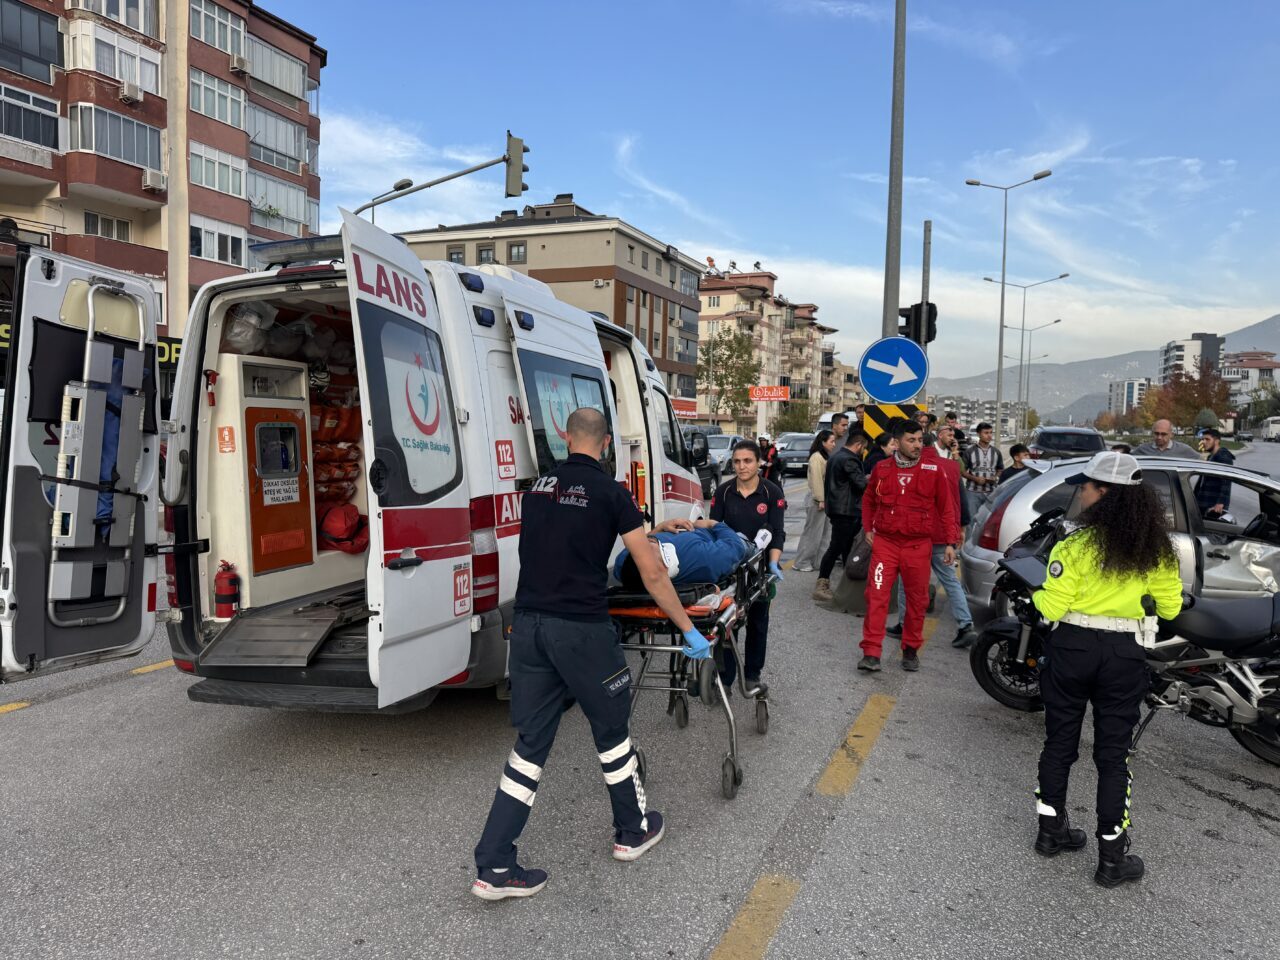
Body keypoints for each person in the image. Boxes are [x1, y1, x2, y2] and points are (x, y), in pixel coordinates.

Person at [472, 408, 712, 900]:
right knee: (611, 731)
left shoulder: (536, 490)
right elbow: (652, 572)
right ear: (606, 444)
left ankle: (493, 865)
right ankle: (632, 831)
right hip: (581, 631)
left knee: (530, 744)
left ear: (565, 437)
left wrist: (646, 526)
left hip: (530, 627)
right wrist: (688, 630)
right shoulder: (611, 492)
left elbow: (564, 533)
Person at [1030, 451, 1183, 888]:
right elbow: (1171, 608)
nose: (1081, 492)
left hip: (1071, 649)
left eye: (1087, 486)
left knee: (1059, 742)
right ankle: (1112, 859)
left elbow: (1051, 606)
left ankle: (1050, 833)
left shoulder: (1073, 545)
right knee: (1113, 757)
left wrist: (1034, 594)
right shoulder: (1155, 550)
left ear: (1106, 493)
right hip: (1123, 655)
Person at [858, 419, 956, 672]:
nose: (917, 445)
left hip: (918, 546)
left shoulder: (934, 470)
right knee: (876, 596)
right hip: (886, 544)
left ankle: (910, 650)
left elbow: (947, 507)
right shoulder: (882, 468)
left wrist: (950, 542)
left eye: (920, 440)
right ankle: (871, 653)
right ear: (897, 441)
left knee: (917, 600)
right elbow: (868, 500)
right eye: (911, 440)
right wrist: (868, 528)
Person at [886, 433, 977, 648]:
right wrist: (959, 529)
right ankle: (966, 625)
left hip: (917, 535)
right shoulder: (952, 467)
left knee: (906, 582)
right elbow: (960, 500)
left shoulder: (911, 467)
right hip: (944, 534)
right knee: (951, 581)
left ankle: (904, 624)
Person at [711, 440, 786, 695]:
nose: (741, 466)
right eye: (737, 461)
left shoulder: (771, 492)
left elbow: (777, 532)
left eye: (747, 461)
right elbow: (714, 529)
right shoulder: (723, 492)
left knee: (758, 623)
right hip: (729, 569)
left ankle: (753, 676)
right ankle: (725, 679)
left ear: (758, 463)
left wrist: (773, 562)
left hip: (759, 569)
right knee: (727, 625)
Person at [813, 430, 869, 602]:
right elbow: (860, 484)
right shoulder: (850, 460)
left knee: (846, 548)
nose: (863, 451)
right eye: (864, 448)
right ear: (858, 445)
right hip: (846, 510)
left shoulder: (836, 456)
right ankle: (821, 585)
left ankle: (847, 585)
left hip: (839, 509)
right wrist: (871, 478)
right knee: (836, 548)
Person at [614, 518, 749, 588]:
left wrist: (660, 527)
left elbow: (645, 544)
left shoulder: (623, 561)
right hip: (718, 537)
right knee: (744, 541)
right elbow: (736, 547)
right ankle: (757, 543)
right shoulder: (702, 558)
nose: (649, 540)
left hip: (695, 533)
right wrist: (712, 523)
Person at [793, 430, 836, 572]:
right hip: (818, 501)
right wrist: (820, 499)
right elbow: (817, 480)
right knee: (813, 533)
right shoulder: (816, 457)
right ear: (823, 442)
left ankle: (819, 562)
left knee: (825, 534)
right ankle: (801, 562)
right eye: (831, 441)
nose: (834, 444)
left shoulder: (824, 456)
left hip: (825, 500)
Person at [1194, 427, 1235, 518]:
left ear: (1216, 441)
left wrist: (1221, 502)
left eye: (1207, 439)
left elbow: (1226, 481)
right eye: (1202, 439)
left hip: (1213, 507)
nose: (1203, 442)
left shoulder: (1223, 456)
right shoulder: (1211, 457)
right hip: (1204, 503)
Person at [961, 422, 1004, 501]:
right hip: (973, 492)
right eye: (986, 433)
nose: (989, 435)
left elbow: (1000, 469)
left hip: (991, 492)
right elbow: (962, 471)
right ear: (979, 434)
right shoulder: (969, 451)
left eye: (991, 432)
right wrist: (975, 479)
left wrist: (995, 477)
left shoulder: (996, 452)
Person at [1132, 420, 1199, 458]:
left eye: (1163, 434)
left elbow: (1201, 461)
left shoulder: (1184, 449)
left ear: (1171, 435)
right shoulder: (1142, 449)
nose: (1159, 437)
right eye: (1156, 433)